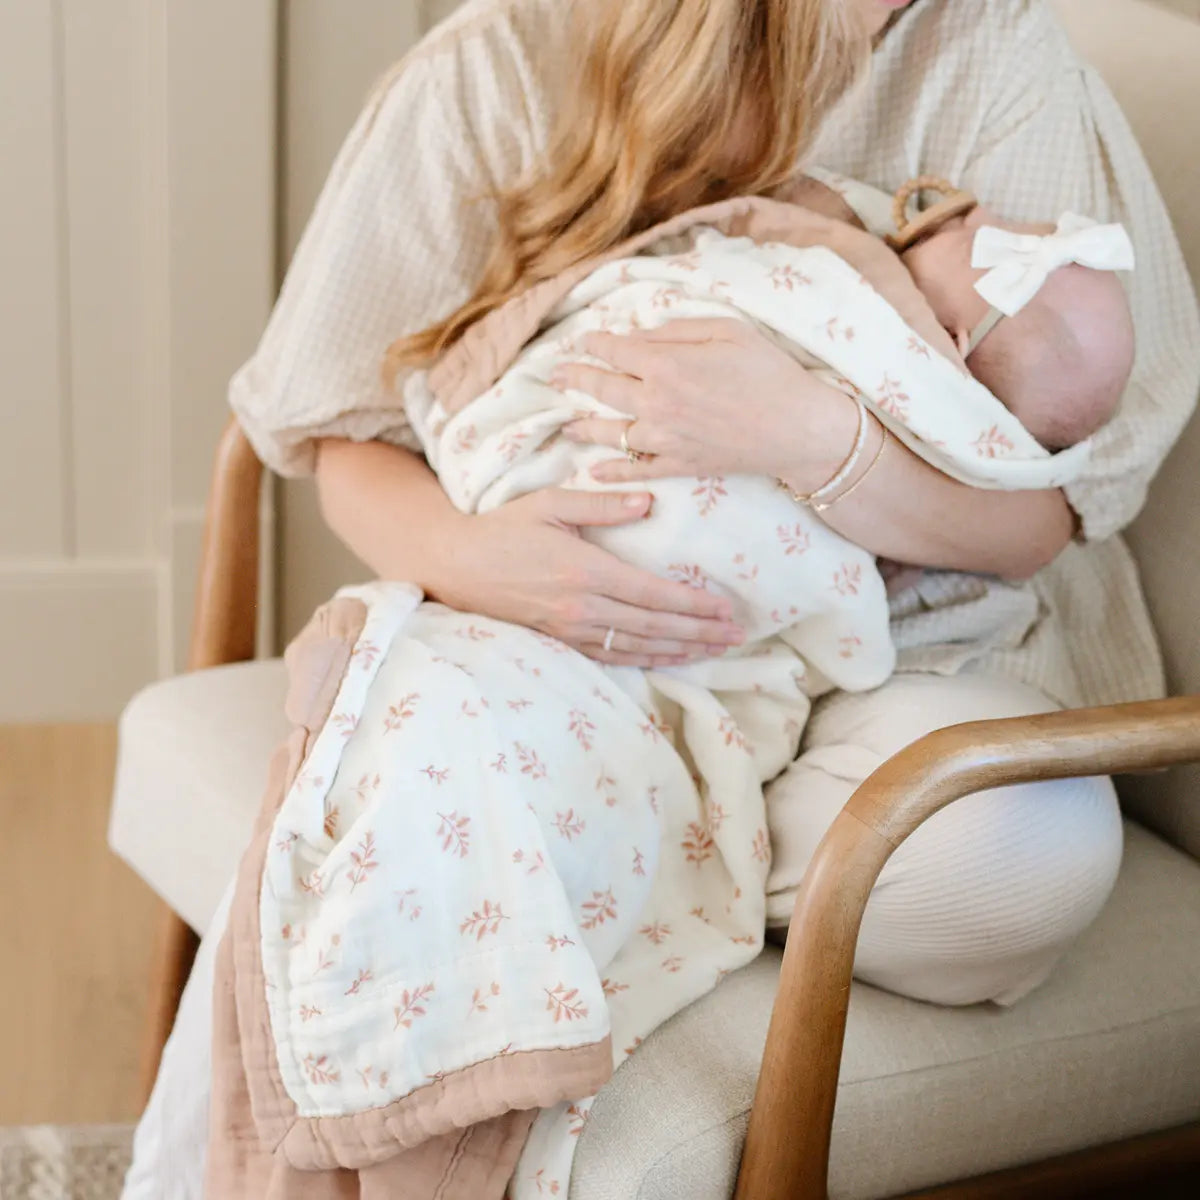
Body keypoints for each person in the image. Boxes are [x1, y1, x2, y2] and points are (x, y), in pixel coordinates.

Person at [122, 0, 1200, 1196]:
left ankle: (637, 848)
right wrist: (480, 558)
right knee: (401, 793)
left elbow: (1038, 518)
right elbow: (340, 435)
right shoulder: (498, 70)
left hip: (893, 662)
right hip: (569, 634)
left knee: (1029, 849)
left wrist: (817, 436)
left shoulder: (990, 53)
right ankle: (625, 836)